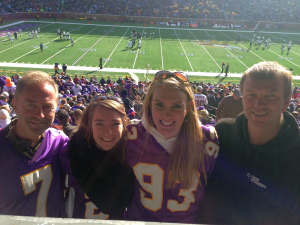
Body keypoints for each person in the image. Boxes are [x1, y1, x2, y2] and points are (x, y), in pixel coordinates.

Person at [203, 61, 300, 224]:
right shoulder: (222, 134)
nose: (258, 104)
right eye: (251, 95)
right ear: (242, 97)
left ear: (285, 102)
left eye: (270, 96)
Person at [125, 71, 219, 223]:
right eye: (159, 105)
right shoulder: (132, 136)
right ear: (149, 105)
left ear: (188, 107)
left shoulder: (207, 139)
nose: (166, 114)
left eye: (176, 106)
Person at [0, 70, 69, 217]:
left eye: (47, 107)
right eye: (31, 105)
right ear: (15, 105)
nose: (40, 115)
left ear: (56, 107)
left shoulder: (60, 141)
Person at [67, 97, 135, 219]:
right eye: (100, 123)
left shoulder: (134, 154)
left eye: (115, 123)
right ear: (89, 124)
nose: (108, 132)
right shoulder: (71, 153)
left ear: (124, 123)